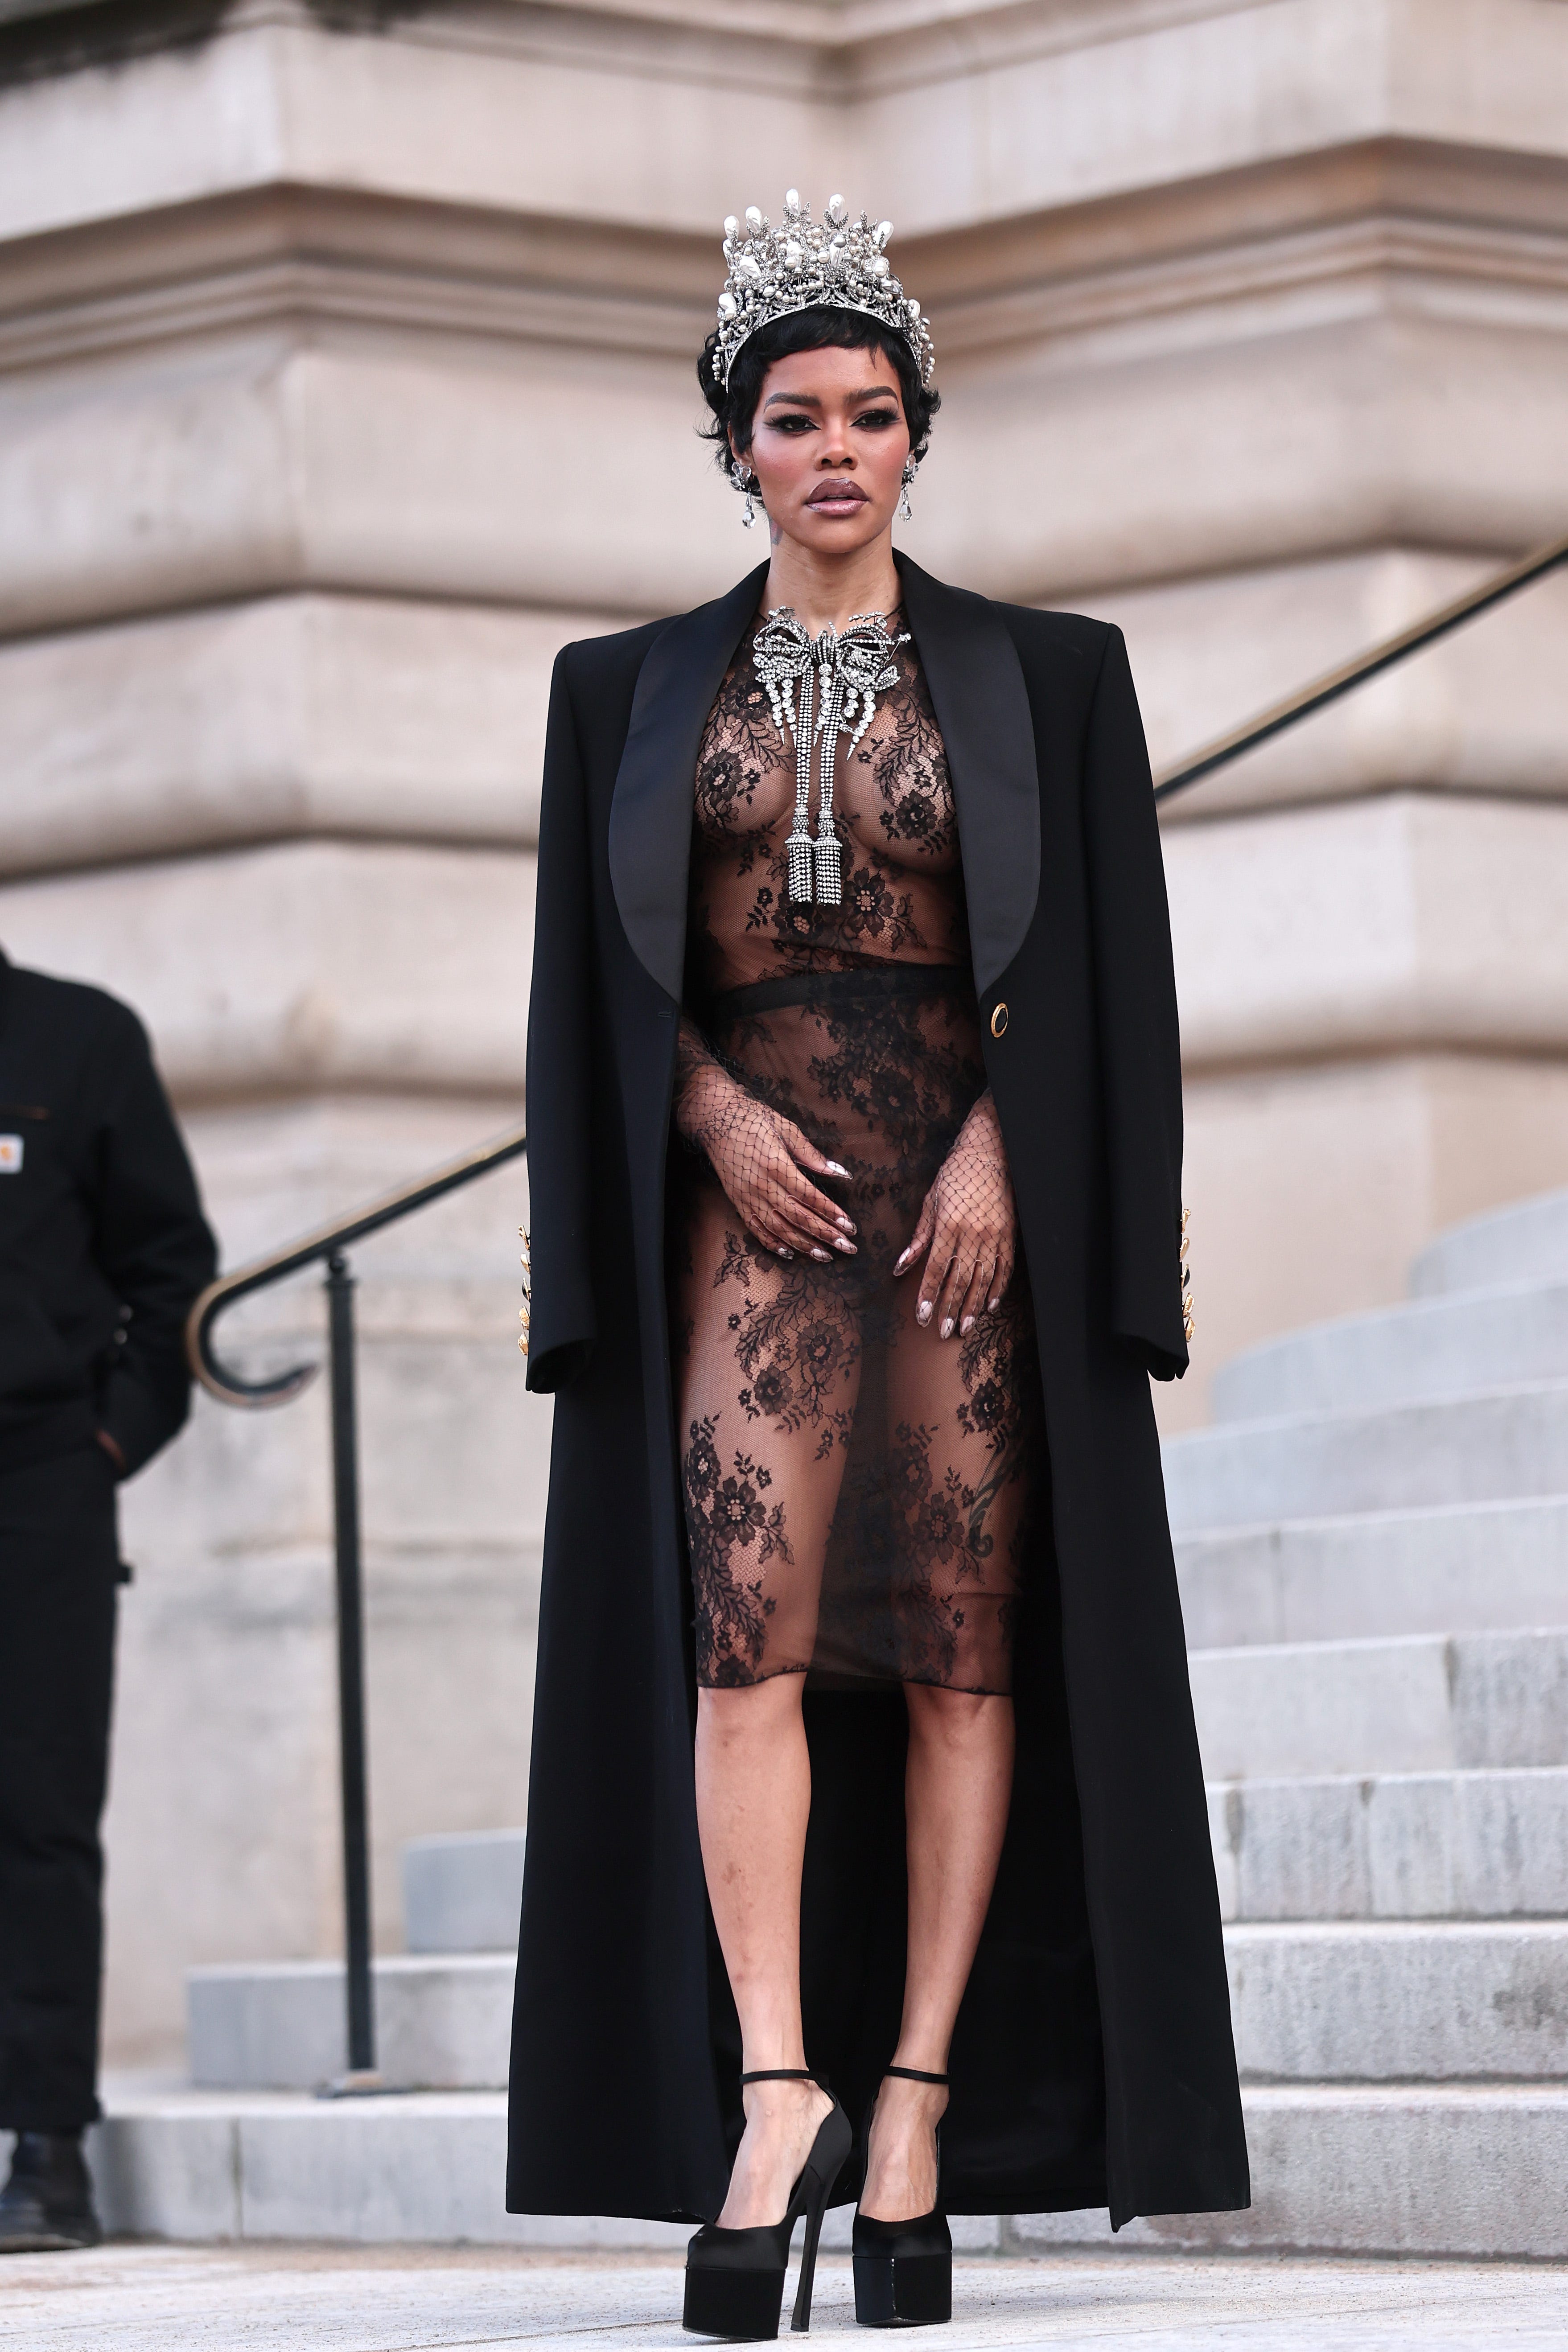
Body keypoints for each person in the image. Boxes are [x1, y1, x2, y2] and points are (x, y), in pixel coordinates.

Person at [507, 190, 1248, 2335]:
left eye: (868, 414)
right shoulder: (617, 691)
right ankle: (778, 2092)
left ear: (918, 433)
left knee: (957, 1655)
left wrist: (1013, 1150)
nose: (833, 450)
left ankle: (912, 2101)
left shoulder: (1053, 675)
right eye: (792, 418)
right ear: (734, 446)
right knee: (737, 1646)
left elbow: (1107, 971)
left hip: (963, 1212)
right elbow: (590, 984)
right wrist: (709, 1117)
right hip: (750, 1210)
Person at [0, 949, 216, 2253]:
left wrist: (107, 1444)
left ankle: (46, 2147)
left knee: (38, 1813)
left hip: (38, 1486)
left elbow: (173, 1270)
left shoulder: (80, 1040)